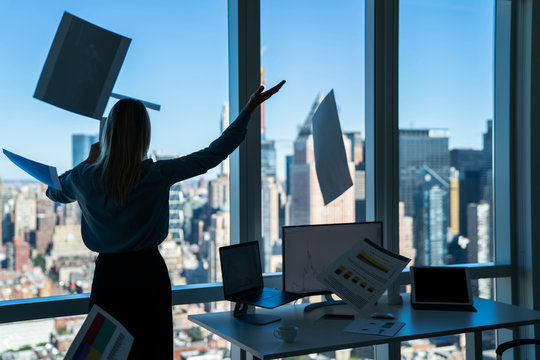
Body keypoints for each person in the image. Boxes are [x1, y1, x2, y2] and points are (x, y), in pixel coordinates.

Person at [45, 80, 286, 359]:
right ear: (143, 136)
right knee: (152, 350)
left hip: (109, 278)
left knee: (104, 353)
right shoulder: (156, 174)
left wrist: (88, 161)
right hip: (149, 276)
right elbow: (213, 154)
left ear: (109, 132)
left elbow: (53, 191)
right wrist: (248, 111)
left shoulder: (84, 178)